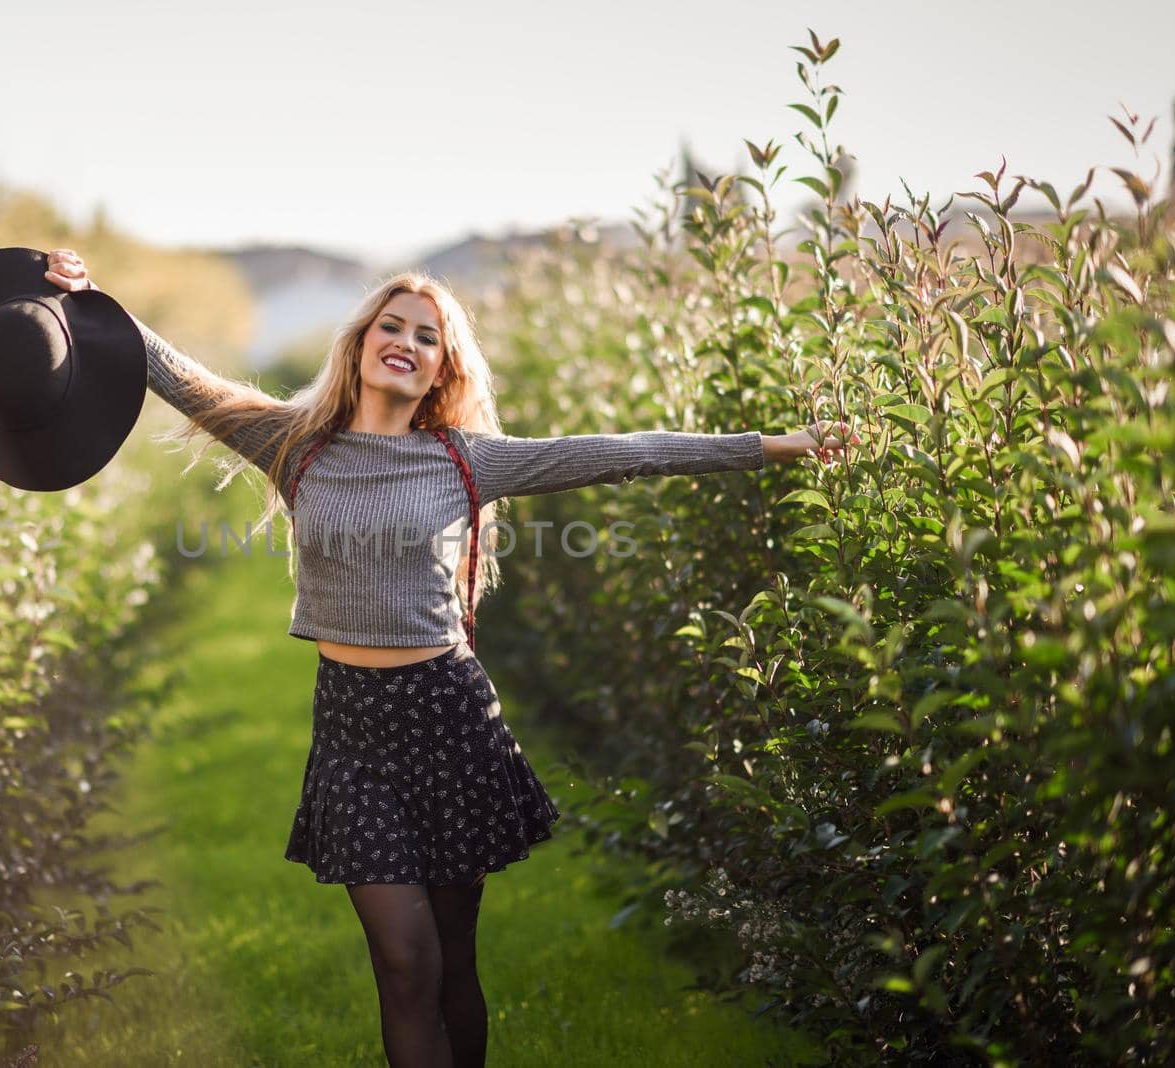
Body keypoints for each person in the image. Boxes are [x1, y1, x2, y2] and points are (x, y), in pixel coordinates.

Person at [44, 248, 861, 1067]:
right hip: (352, 734)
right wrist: (90, 297)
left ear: (441, 368)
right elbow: (177, 376)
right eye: (390, 326)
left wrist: (781, 445)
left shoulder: (468, 460)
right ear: (360, 345)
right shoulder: (294, 446)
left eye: (426, 337)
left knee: (451, 967)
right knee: (404, 962)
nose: (404, 341)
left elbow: (625, 451)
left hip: (450, 719)